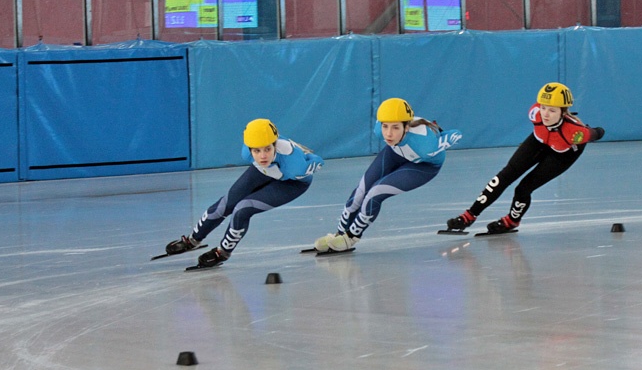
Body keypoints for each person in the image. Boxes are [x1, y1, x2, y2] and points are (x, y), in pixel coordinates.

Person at [444, 82, 604, 234]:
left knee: (523, 189)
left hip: (563, 153)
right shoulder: (535, 113)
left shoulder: (574, 132)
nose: (546, 114)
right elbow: (542, 114)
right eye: (544, 108)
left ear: (563, 111)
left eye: (552, 110)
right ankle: (469, 216)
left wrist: (589, 131)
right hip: (539, 140)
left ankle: (512, 221)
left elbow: (598, 132)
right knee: (503, 177)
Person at [164, 118, 323, 268]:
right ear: (249, 149)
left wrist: (309, 158)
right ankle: (192, 240)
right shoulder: (247, 153)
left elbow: (318, 160)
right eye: (257, 151)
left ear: (275, 145)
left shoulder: (295, 166)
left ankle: (223, 252)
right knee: (227, 203)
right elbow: (262, 153)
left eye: (268, 149)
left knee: (243, 208)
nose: (262, 156)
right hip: (265, 171)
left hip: (292, 182)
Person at [314, 98, 462, 253]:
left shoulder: (426, 145)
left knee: (375, 193)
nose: (389, 133)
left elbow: (456, 134)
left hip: (424, 165)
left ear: (406, 127)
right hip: (395, 152)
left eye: (395, 128)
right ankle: (339, 233)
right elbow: (387, 131)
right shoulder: (379, 130)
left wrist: (444, 138)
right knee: (360, 192)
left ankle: (351, 237)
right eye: (385, 126)